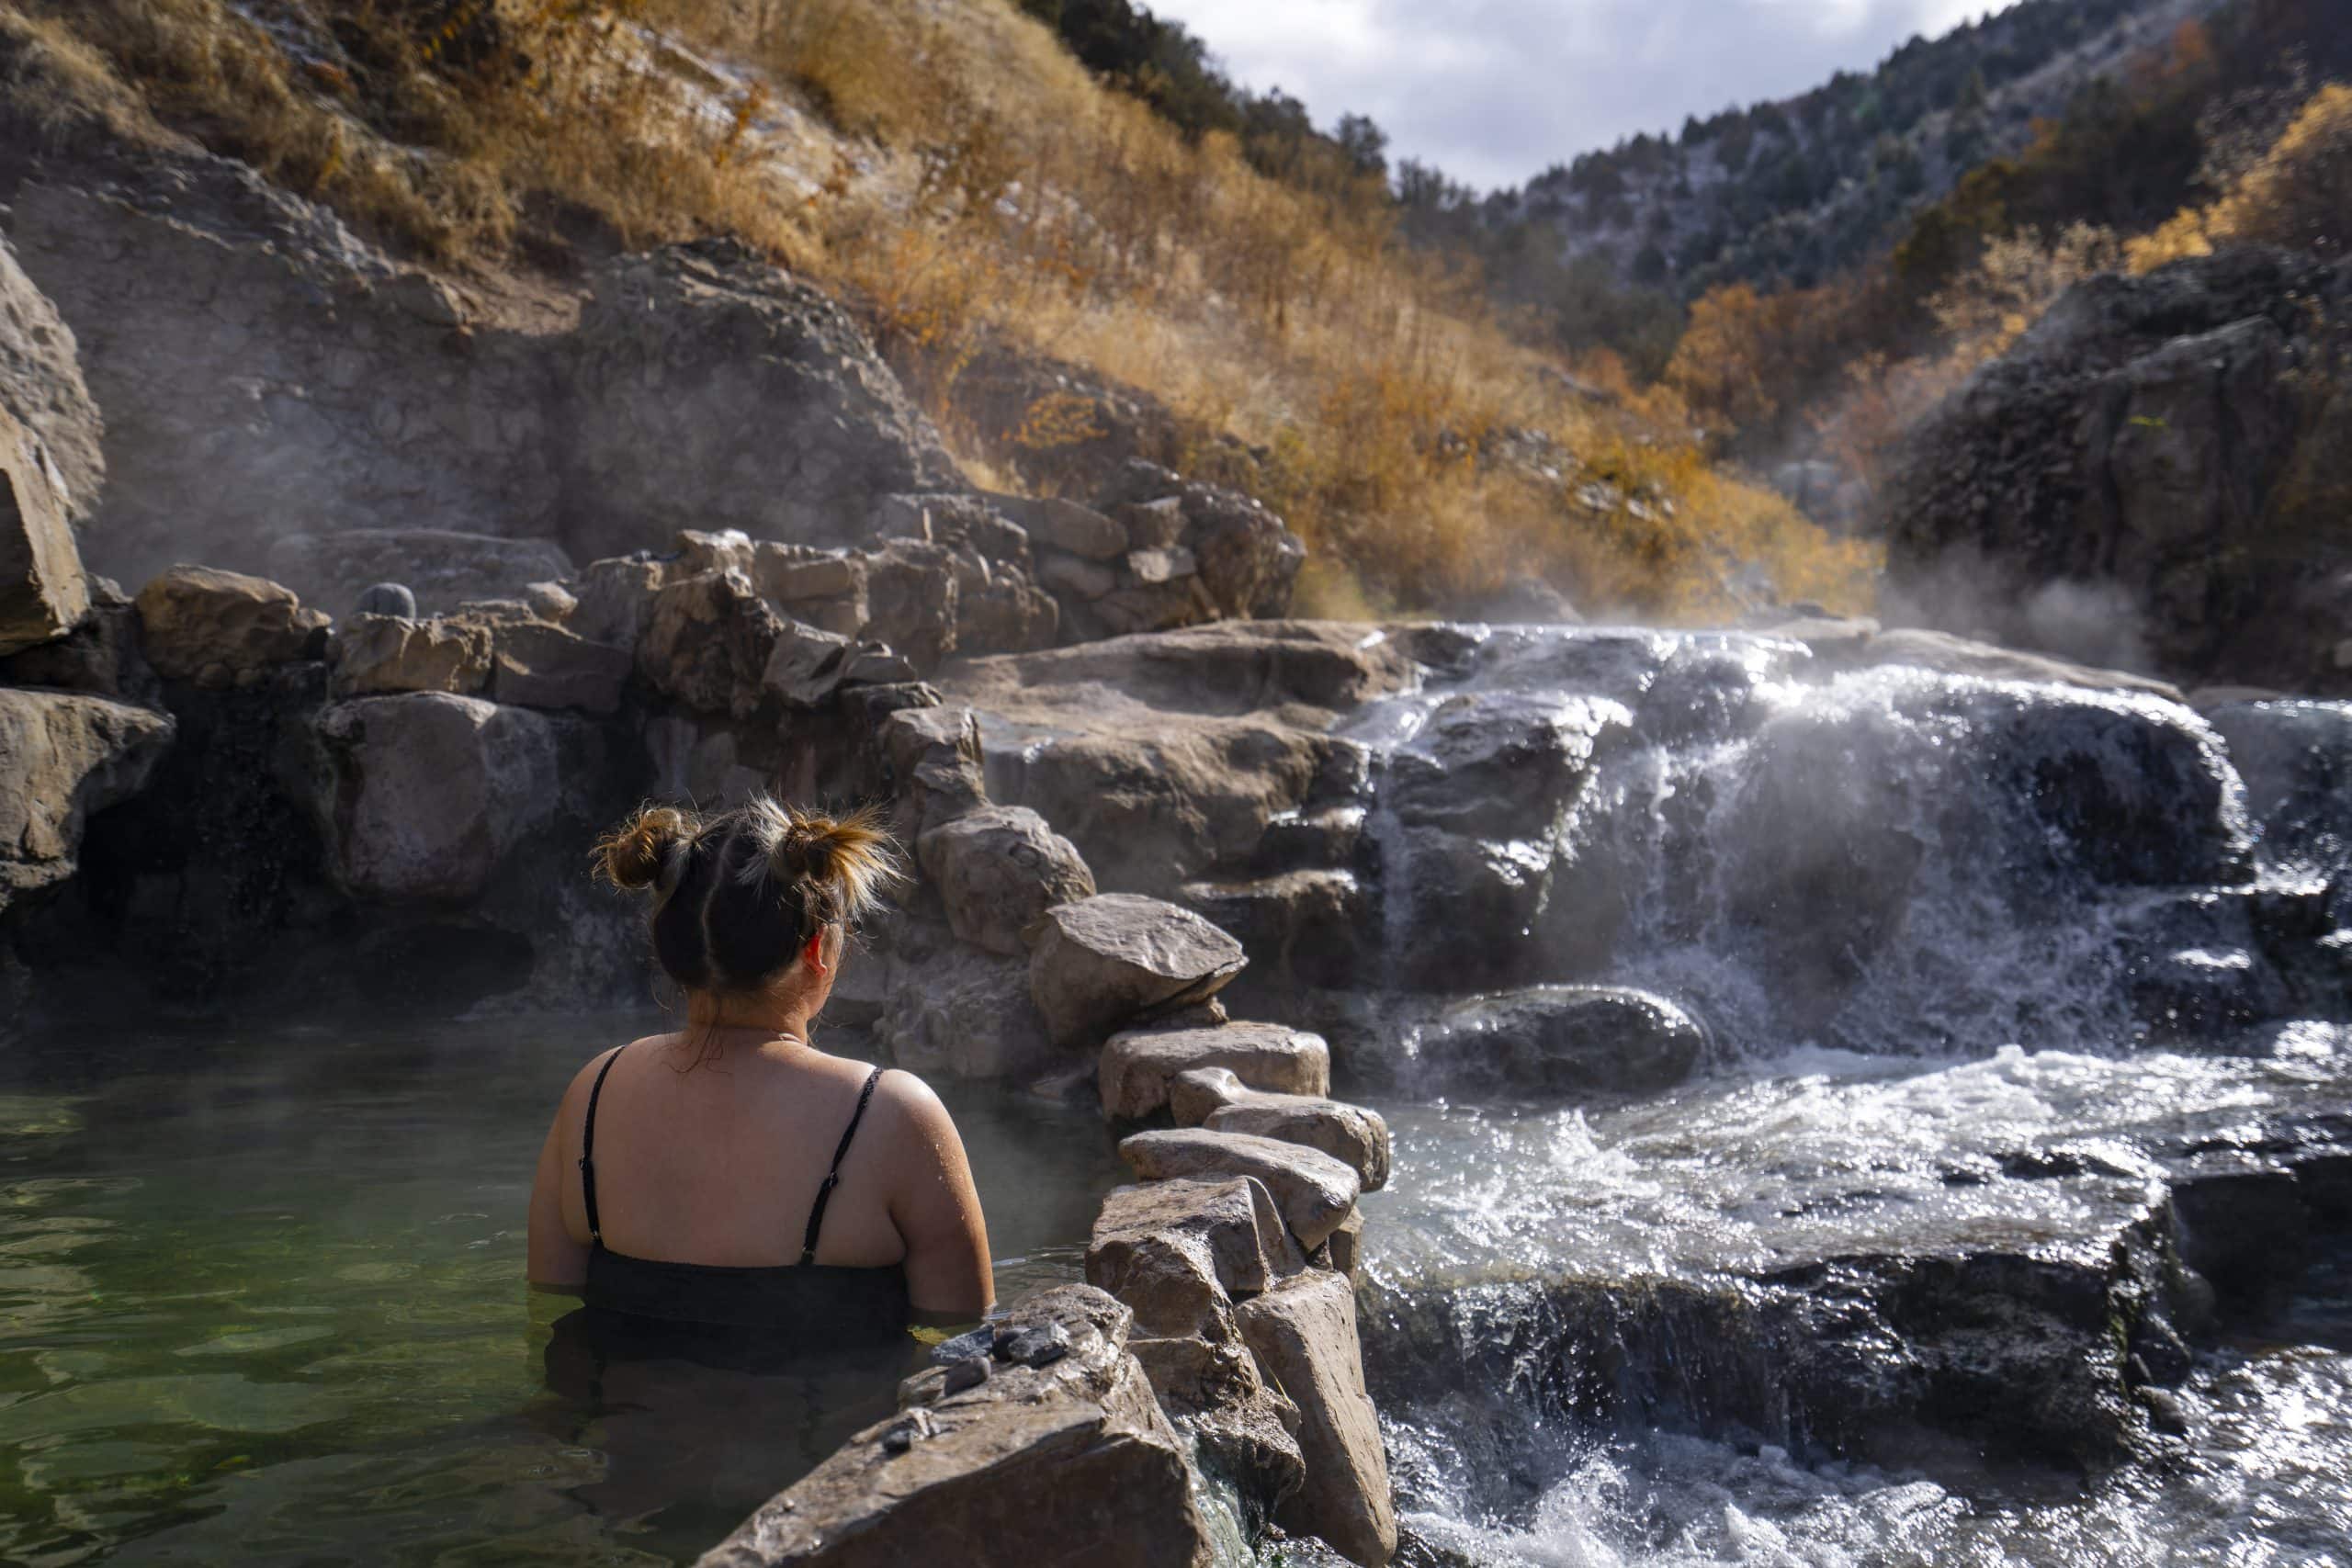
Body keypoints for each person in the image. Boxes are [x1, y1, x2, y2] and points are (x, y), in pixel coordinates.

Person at [526, 795, 993, 1339]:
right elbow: (966, 1337)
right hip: (843, 1426)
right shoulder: (891, 1113)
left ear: (671, 946)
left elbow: (550, 1306)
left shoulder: (593, 1092)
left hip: (615, 1421)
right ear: (820, 950)